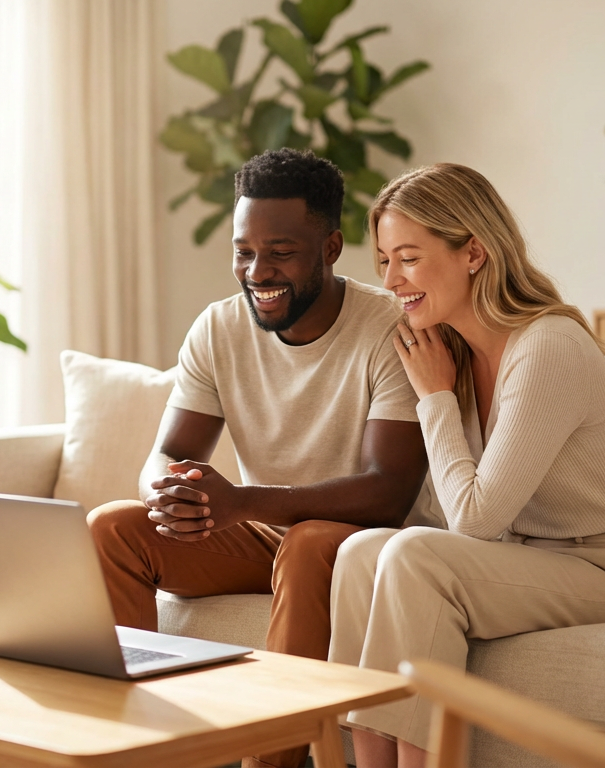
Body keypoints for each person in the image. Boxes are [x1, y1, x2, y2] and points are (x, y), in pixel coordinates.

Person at [86, 148, 440, 768]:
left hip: (358, 543)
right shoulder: (218, 329)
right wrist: (167, 492)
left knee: (304, 545)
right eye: (243, 251)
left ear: (329, 249)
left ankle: (271, 762)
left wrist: (242, 503)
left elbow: (389, 490)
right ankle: (136, 751)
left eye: (280, 252)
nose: (257, 270)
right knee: (113, 528)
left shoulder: (388, 330)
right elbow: (169, 452)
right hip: (261, 534)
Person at [329, 163, 605, 768]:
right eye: (383, 260)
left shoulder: (548, 345)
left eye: (408, 257)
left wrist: (434, 398)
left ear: (474, 252)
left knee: (414, 555)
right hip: (529, 558)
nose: (391, 280)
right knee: (361, 553)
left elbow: (476, 520)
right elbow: (452, 507)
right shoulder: (450, 349)